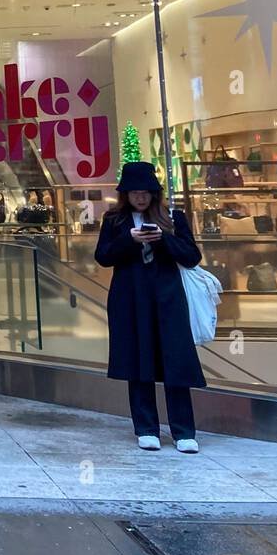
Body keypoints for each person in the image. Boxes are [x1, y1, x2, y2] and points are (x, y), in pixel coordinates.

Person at [94, 162, 205, 453]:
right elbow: (103, 257)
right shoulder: (115, 220)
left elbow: (192, 256)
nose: (140, 198)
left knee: (175, 361)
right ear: (126, 194)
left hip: (169, 299)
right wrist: (129, 240)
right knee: (138, 360)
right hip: (130, 299)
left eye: (145, 192)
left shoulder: (172, 217)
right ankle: (146, 428)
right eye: (134, 193)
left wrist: (164, 239)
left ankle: (183, 431)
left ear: (154, 193)